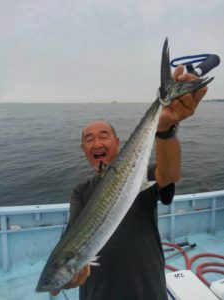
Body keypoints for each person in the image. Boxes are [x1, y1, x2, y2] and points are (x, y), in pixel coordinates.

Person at [51, 65, 208, 299]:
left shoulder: (142, 173)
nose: (96, 143)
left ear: (117, 142)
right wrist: (70, 277)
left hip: (147, 290)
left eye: (103, 136)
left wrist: (164, 128)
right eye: (89, 139)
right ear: (84, 149)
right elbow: (77, 236)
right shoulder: (81, 190)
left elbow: (169, 174)